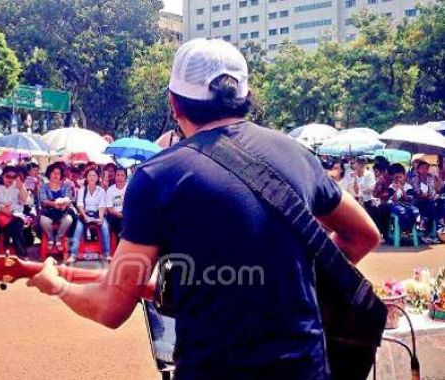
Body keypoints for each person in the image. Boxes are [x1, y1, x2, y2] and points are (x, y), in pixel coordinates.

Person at [27, 38, 380, 379]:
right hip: (305, 367)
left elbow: (110, 306)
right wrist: (295, 281)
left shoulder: (157, 176)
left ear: (174, 104)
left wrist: (56, 285)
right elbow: (363, 236)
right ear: (246, 98)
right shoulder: (296, 153)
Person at [68, 167, 110, 263]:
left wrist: (101, 217)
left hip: (97, 213)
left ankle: (106, 254)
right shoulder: (82, 190)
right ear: (86, 178)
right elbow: (80, 205)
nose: (92, 177)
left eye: (94, 175)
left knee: (104, 226)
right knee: (78, 228)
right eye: (89, 175)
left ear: (98, 178)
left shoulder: (101, 190)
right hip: (85, 214)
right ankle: (73, 254)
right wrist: (85, 216)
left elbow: (102, 206)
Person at [0, 166, 30, 258]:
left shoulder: (18, 185)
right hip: (0, 216)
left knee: (15, 228)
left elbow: (26, 201)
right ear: (2, 176)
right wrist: (2, 208)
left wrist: (21, 188)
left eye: (13, 177)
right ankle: (0, 252)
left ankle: (22, 255)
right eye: (8, 176)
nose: (10, 179)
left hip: (16, 216)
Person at [38, 163, 75, 252]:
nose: (56, 175)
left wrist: (64, 204)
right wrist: (54, 204)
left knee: (69, 219)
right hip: (48, 212)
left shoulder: (65, 186)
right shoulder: (44, 186)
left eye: (58, 173)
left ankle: (58, 237)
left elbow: (68, 198)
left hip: (62, 213)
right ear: (49, 174)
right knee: (43, 221)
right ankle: (51, 238)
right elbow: (43, 200)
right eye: (54, 173)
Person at [410, 160, 438, 242]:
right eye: (422, 168)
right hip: (417, 201)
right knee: (431, 208)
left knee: (432, 204)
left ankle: (424, 220)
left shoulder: (430, 177)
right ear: (418, 169)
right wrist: (423, 195)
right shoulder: (414, 178)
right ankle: (428, 234)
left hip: (429, 201)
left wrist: (430, 194)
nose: (424, 170)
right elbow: (416, 192)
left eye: (426, 168)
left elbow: (432, 190)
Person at [387, 163, 420, 233]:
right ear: (393, 177)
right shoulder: (391, 186)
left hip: (406, 205)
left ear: (404, 176)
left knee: (415, 211)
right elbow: (394, 200)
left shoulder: (409, 187)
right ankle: (403, 229)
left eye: (400, 177)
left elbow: (408, 199)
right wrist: (395, 191)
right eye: (396, 177)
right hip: (394, 205)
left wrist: (402, 190)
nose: (398, 179)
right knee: (401, 210)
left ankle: (409, 229)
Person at [105, 167, 128, 237]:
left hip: (127, 213)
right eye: (118, 175)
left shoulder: (130, 187)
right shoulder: (110, 190)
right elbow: (109, 208)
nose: (120, 177)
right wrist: (117, 213)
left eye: (122, 175)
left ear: (126, 177)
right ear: (115, 177)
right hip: (114, 214)